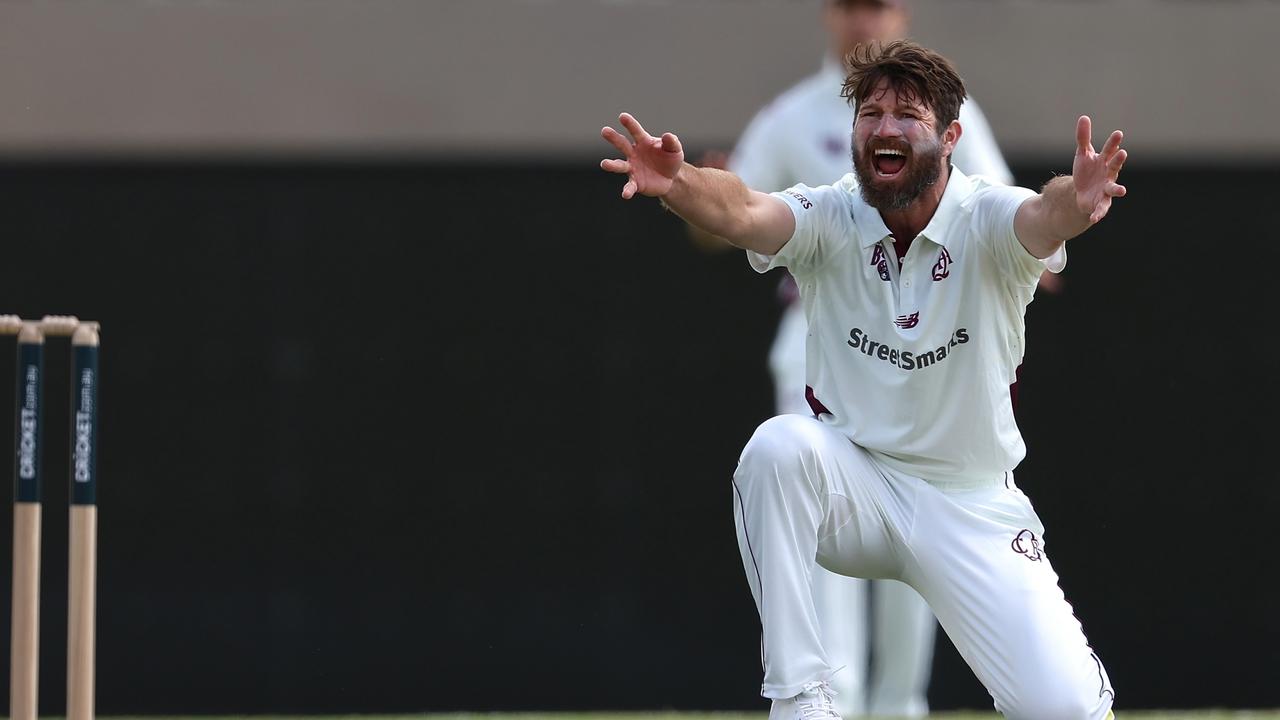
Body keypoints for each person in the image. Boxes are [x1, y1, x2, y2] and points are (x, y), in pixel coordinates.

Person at [600, 40, 1123, 720]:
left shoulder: (986, 216)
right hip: (859, 492)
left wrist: (1076, 202)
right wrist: (681, 185)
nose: (883, 127)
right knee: (778, 450)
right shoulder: (830, 215)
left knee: (1066, 710)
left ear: (950, 137)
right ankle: (800, 699)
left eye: (907, 114)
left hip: (968, 508)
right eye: (870, 113)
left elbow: (1042, 216)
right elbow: (744, 210)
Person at [689, 2, 1034, 715]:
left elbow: (1004, 210)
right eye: (848, 6)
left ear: (901, 10)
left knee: (925, 538)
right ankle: (826, 702)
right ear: (828, 15)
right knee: (816, 527)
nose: (861, 21)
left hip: (930, 366)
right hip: (820, 358)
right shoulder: (792, 115)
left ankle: (899, 703)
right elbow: (731, 217)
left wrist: (1031, 245)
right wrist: (696, 195)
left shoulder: (943, 114)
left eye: (875, 4)